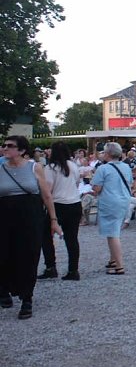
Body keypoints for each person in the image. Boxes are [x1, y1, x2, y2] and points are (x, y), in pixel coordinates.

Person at [0, 136, 62, 319]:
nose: (5, 148)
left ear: (21, 151)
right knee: (4, 255)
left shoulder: (34, 167)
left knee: (29, 255)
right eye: (4, 145)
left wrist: (53, 219)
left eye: (10, 146)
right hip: (4, 216)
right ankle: (4, 289)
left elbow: (46, 196)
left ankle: (27, 298)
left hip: (30, 217)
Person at [39, 142, 83, 281]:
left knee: (46, 236)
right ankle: (73, 269)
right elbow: (77, 183)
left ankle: (50, 266)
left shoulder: (51, 168)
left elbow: (48, 190)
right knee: (72, 238)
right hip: (74, 203)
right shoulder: (73, 166)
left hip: (58, 204)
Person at [91, 142, 133, 276]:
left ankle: (119, 265)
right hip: (124, 200)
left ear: (107, 154)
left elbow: (97, 188)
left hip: (110, 202)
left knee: (112, 234)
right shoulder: (126, 167)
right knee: (115, 230)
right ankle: (113, 260)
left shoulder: (103, 169)